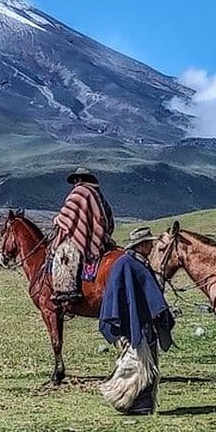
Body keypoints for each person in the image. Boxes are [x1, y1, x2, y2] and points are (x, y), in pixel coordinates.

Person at [98, 227, 174, 415]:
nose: (152, 245)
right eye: (149, 242)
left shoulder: (138, 263)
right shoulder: (127, 264)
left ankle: (141, 404)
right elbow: (120, 296)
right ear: (141, 245)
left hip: (144, 322)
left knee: (148, 365)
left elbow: (146, 293)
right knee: (138, 364)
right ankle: (126, 400)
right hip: (133, 323)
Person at [50, 167, 115, 304]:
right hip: (100, 236)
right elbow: (108, 217)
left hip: (86, 238)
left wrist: (57, 220)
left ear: (79, 179)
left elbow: (67, 215)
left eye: (75, 180)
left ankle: (67, 291)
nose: (75, 183)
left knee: (64, 254)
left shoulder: (79, 192)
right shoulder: (98, 193)